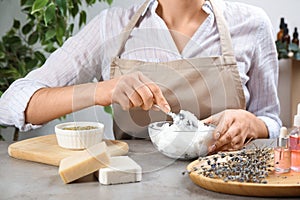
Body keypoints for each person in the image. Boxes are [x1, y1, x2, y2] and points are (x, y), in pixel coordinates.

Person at [0, 0, 281, 153]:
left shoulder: (252, 24)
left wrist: (252, 123)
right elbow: (10, 103)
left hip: (229, 186)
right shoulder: (111, 26)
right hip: (132, 187)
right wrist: (103, 91)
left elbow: (272, 121)